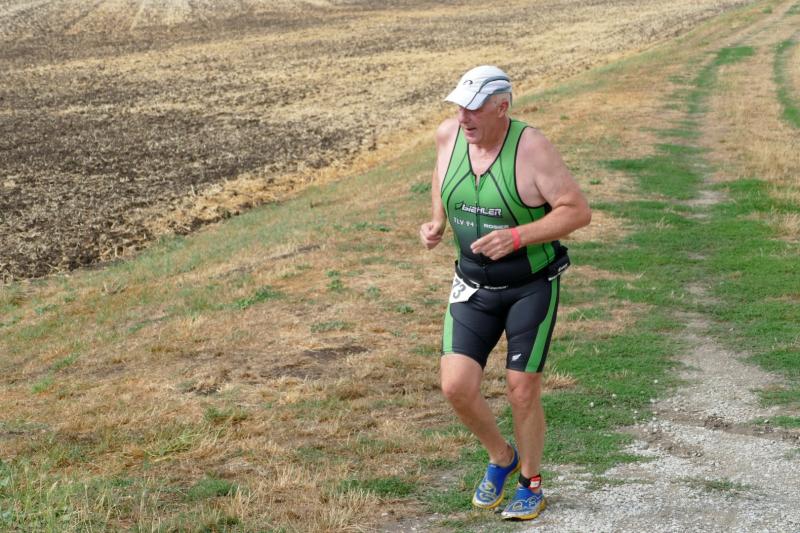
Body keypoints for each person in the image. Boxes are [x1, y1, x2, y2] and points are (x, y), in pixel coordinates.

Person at [419, 65, 591, 520]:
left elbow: (577, 210)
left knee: (521, 389)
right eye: (459, 107)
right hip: (471, 284)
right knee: (456, 386)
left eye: (474, 108)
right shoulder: (448, 136)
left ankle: (530, 482)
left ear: (502, 107)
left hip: (529, 286)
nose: (464, 117)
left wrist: (517, 237)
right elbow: (440, 175)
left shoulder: (531, 148)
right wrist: (437, 219)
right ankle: (502, 456)